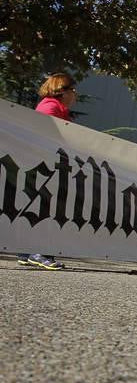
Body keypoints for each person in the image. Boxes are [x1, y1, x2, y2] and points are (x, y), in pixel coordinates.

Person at [17, 73, 79, 270]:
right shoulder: (50, 107)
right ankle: (39, 251)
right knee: (47, 206)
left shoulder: (56, 108)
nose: (75, 94)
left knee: (42, 204)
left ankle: (27, 252)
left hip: (48, 165)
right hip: (45, 166)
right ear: (63, 91)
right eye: (72, 90)